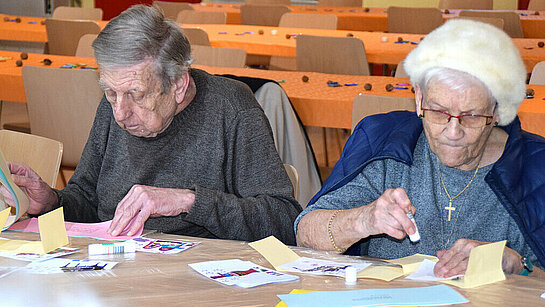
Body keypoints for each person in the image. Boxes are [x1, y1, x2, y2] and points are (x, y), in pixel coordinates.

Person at [1, 5, 301, 244]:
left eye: (136, 95)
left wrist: (189, 201)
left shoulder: (231, 109)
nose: (120, 113)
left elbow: (283, 219)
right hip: (118, 266)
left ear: (179, 84)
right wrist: (50, 200)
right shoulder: (117, 104)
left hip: (199, 276)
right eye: (110, 92)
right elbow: (88, 201)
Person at [295, 19, 545, 278]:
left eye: (471, 116)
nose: (453, 131)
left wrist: (516, 265)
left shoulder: (536, 166)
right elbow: (305, 234)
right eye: (438, 112)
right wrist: (363, 219)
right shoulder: (385, 142)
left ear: (495, 110)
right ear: (419, 98)